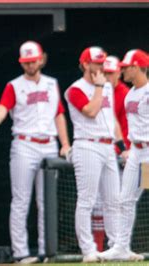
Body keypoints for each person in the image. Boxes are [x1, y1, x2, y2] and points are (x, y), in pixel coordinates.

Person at [0, 41, 70, 263]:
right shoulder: (14, 85)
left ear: (42, 59)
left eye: (33, 60)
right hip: (24, 142)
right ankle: (21, 253)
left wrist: (65, 143)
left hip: (49, 143)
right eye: (26, 62)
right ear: (22, 63)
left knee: (46, 200)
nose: (30, 65)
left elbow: (59, 114)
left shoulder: (52, 84)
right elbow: (1, 110)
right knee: (21, 200)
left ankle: (46, 251)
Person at [64, 46, 124, 262]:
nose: (101, 66)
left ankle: (117, 246)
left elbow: (112, 119)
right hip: (86, 145)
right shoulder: (75, 89)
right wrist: (99, 87)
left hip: (108, 146)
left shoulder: (106, 87)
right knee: (87, 200)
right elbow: (90, 111)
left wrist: (122, 147)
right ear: (86, 64)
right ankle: (88, 250)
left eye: (102, 62)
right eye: (96, 62)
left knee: (113, 200)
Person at [98, 49, 148, 262]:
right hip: (136, 151)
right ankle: (121, 247)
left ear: (137, 67)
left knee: (133, 197)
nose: (124, 71)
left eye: (126, 68)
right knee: (124, 199)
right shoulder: (131, 94)